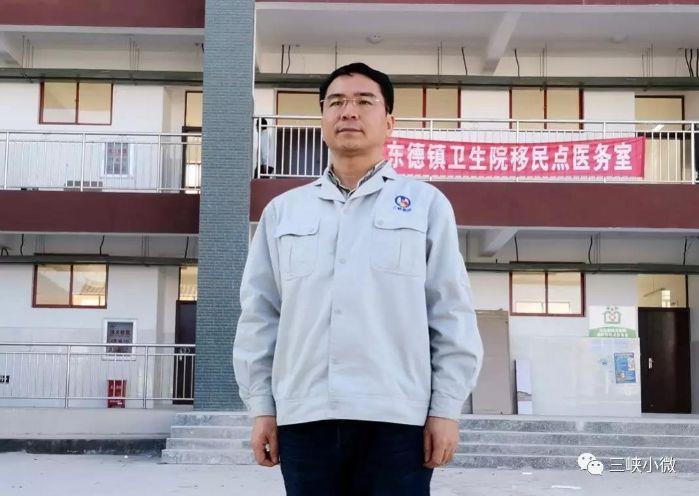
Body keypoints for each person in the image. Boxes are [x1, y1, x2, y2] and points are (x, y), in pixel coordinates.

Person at [233, 62, 483, 495]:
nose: (348, 111)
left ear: (389, 122)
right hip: (305, 415)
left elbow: (450, 311)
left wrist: (445, 409)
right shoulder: (284, 212)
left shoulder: (425, 205)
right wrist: (261, 407)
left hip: (397, 419)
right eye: (336, 102)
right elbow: (260, 315)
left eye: (365, 101)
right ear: (322, 119)